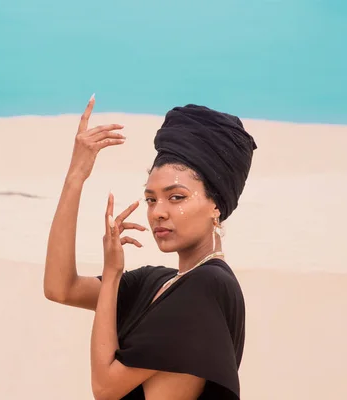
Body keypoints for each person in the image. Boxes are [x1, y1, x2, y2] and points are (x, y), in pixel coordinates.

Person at [44, 94, 257, 400]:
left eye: (177, 197)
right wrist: (76, 177)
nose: (158, 211)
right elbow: (60, 288)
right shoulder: (157, 283)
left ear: (216, 205)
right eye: (151, 199)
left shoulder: (208, 286)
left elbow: (105, 388)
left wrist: (113, 276)